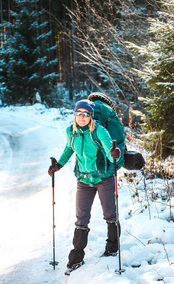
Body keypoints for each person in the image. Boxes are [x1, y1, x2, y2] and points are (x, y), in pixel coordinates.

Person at [48, 99, 121, 270]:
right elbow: (69, 149)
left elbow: (111, 154)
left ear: (91, 116)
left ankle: (112, 248)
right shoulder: (71, 131)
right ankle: (76, 257)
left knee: (110, 214)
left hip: (103, 177)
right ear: (75, 114)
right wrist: (58, 165)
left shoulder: (99, 131)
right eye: (79, 113)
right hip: (83, 180)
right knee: (81, 219)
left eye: (86, 114)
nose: (82, 117)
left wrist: (114, 154)